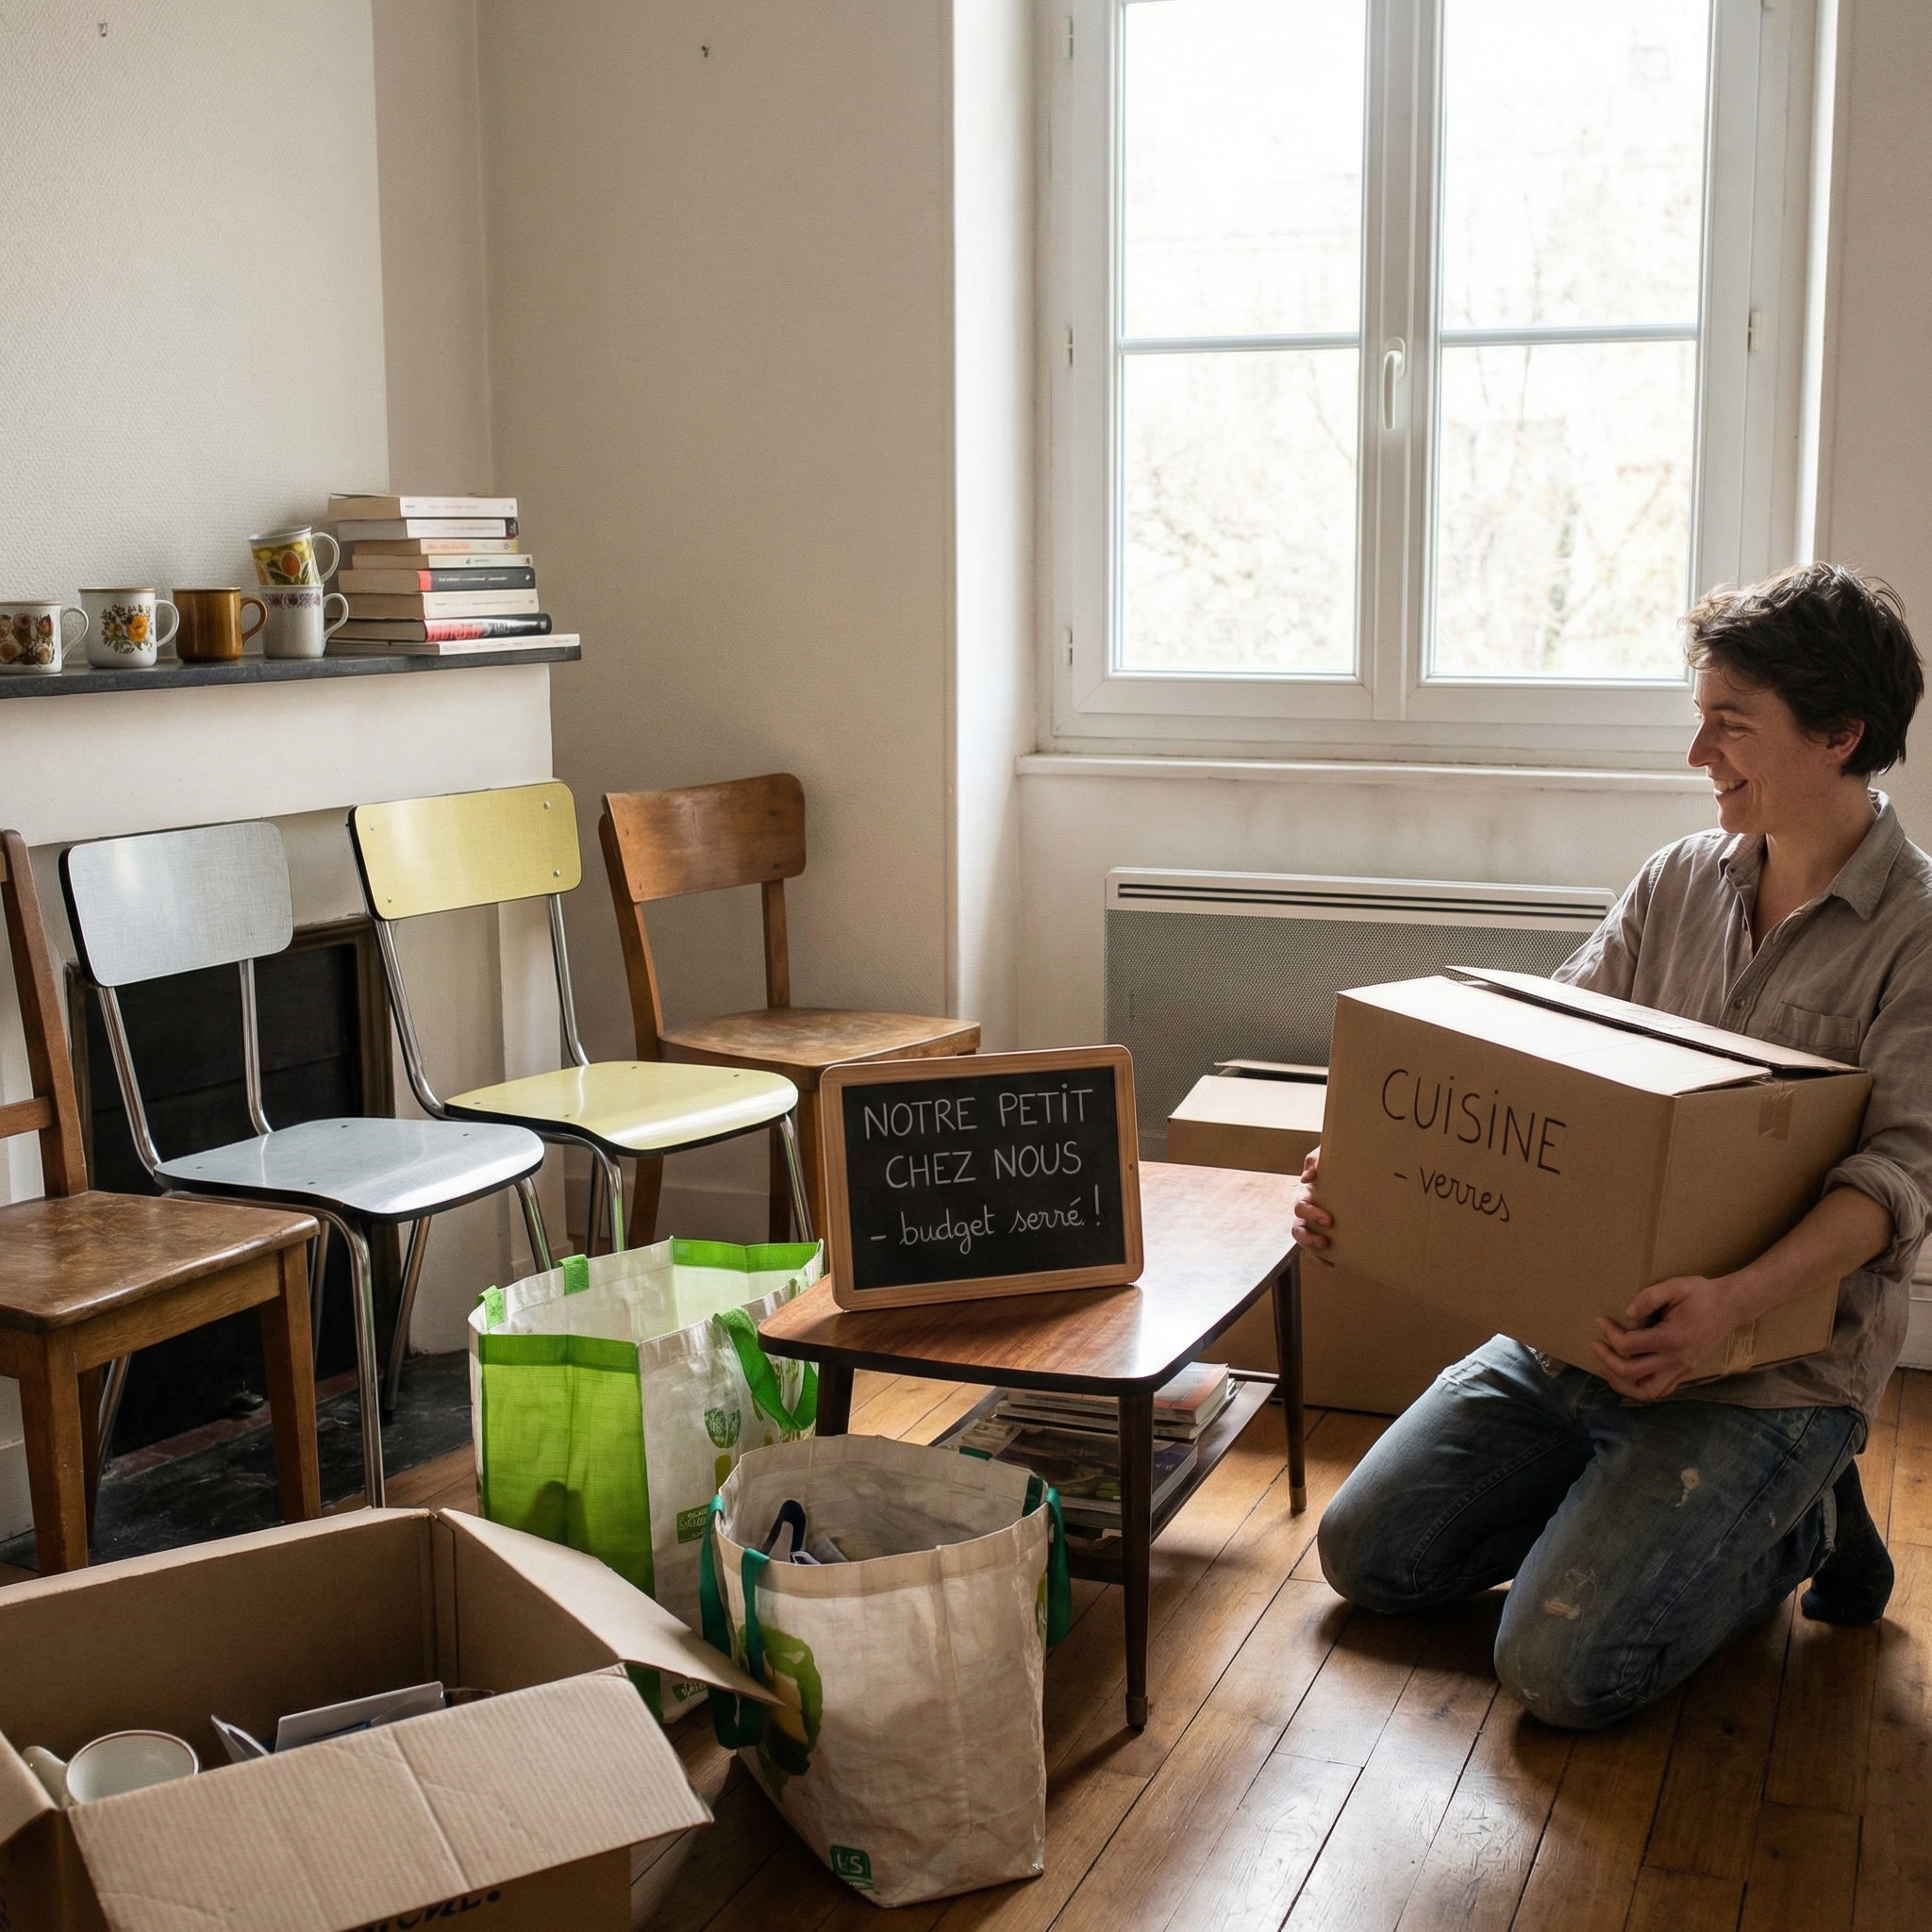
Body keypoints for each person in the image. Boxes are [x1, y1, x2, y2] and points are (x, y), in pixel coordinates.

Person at [1297, 561, 1932, 1730]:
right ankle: (1635, 1505)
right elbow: (1534, 1068)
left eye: (1730, 729)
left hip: (1765, 1374)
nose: (1699, 757)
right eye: (1699, 721)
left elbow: (1891, 1186)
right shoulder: (1673, 880)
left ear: (1839, 734)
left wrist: (1727, 1307)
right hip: (1577, 1331)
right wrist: (1365, 1173)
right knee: (1364, 1557)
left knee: (1558, 1672)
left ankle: (1798, 1515)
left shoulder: (1916, 936)